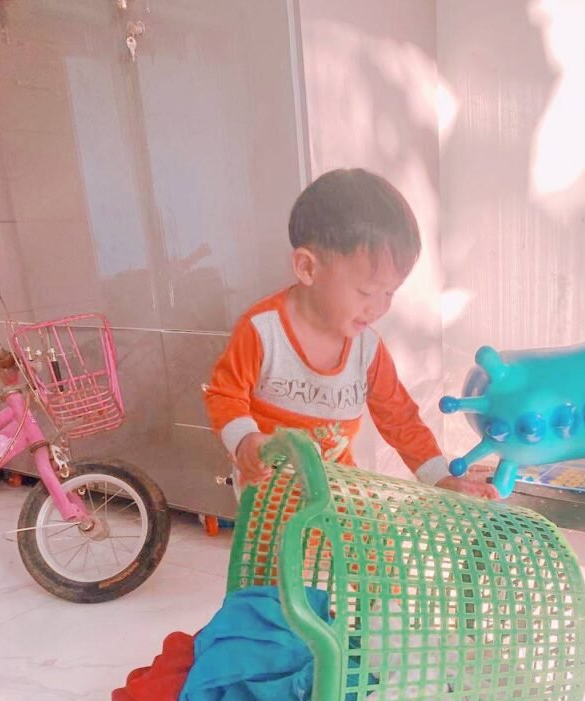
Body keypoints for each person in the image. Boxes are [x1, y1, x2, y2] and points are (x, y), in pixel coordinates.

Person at [204, 168, 496, 499]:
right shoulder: (262, 331)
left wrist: (438, 477)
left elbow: (401, 420)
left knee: (372, 545)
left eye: (390, 293)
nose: (379, 308)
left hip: (336, 489)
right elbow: (224, 394)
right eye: (367, 291)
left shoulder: (367, 348)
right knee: (286, 552)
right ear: (308, 268)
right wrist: (244, 440)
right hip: (269, 494)